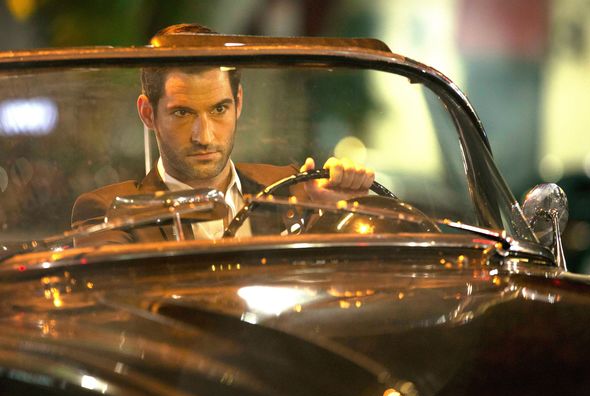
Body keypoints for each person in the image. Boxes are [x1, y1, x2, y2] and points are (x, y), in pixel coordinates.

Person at [71, 24, 374, 243]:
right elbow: (123, 300)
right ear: (148, 114)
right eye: (182, 113)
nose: (204, 136)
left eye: (218, 109)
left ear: (238, 102)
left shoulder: (290, 188)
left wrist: (333, 214)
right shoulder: (110, 210)